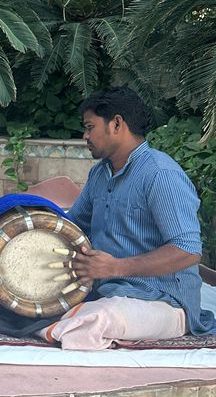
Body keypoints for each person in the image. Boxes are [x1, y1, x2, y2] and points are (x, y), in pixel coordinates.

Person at [39, 85, 215, 351]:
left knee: (99, 318)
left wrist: (115, 268)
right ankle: (52, 323)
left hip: (165, 302)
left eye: (90, 127)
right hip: (108, 292)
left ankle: (54, 325)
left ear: (117, 124)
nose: (85, 135)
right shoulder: (100, 174)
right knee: (24, 297)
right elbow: (72, 226)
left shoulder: (160, 174)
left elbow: (188, 251)